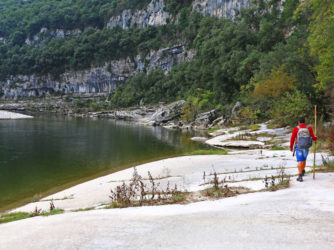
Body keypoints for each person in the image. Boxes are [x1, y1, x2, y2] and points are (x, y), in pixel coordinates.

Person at [290, 117, 317, 182]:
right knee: (304, 160)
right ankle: (302, 170)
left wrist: (291, 146)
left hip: (298, 147)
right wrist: (315, 138)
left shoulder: (296, 128)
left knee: (300, 160)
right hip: (306, 147)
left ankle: (300, 175)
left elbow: (292, 138)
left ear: (299, 122)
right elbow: (313, 137)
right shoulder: (309, 128)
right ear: (304, 122)